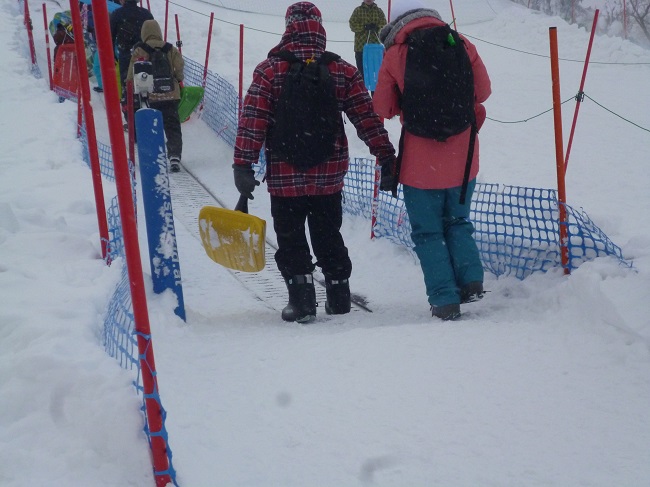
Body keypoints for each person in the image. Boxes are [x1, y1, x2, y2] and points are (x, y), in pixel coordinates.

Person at [233, 2, 396, 324]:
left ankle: (302, 299)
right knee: (327, 231)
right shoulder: (342, 70)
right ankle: (338, 294)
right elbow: (367, 118)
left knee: (291, 235)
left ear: (288, 27)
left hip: (284, 172)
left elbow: (253, 120)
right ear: (319, 28)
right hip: (329, 170)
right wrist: (386, 156)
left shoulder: (270, 70)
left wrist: (243, 164)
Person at [373, 0, 492, 321]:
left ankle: (444, 300)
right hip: (463, 157)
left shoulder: (395, 53)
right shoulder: (461, 43)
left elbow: (382, 108)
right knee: (458, 221)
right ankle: (471, 282)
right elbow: (483, 92)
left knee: (427, 232)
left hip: (419, 165)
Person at [127, 19, 185, 172]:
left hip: (149, 96)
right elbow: (179, 67)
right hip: (170, 94)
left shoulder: (140, 50)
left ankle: (153, 157)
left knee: (151, 126)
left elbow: (131, 74)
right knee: (172, 126)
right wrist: (177, 79)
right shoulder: (170, 48)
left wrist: (128, 88)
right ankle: (174, 156)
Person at [109, 0, 153, 97]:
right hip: (144, 53)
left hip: (125, 54)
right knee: (144, 83)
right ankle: (143, 102)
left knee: (127, 84)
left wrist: (111, 55)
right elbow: (153, 35)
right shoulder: (146, 14)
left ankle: (128, 104)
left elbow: (110, 37)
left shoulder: (117, 14)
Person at [348, 0, 387, 83]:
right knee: (362, 75)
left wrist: (377, 27)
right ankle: (362, 93)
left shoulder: (379, 11)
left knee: (376, 75)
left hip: (375, 49)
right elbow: (352, 25)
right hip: (360, 49)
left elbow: (384, 25)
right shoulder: (358, 11)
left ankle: (375, 95)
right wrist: (364, 27)